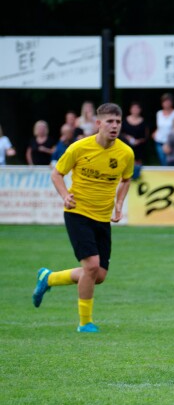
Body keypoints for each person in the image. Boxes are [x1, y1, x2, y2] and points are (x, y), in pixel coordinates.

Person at [31, 103, 134, 333]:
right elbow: (57, 173)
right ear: (98, 124)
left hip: (102, 217)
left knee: (98, 275)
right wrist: (65, 195)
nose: (115, 126)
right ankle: (85, 323)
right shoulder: (79, 148)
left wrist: (118, 203)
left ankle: (49, 278)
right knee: (92, 266)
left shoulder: (125, 153)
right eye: (110, 121)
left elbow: (126, 179)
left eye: (118, 121)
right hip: (78, 213)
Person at [152, 93, 174, 166]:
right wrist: (155, 132)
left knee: (171, 162)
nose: (166, 103)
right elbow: (159, 126)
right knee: (163, 161)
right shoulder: (159, 113)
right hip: (159, 140)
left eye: (168, 101)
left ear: (172, 102)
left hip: (172, 142)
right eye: (165, 101)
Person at [121, 101, 150, 167]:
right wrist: (127, 138)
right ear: (130, 109)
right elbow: (120, 133)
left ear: (140, 110)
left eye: (137, 108)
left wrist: (138, 141)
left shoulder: (144, 122)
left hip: (139, 147)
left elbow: (146, 136)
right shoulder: (124, 121)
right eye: (133, 108)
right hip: (126, 146)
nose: (135, 110)